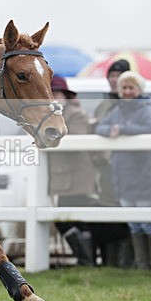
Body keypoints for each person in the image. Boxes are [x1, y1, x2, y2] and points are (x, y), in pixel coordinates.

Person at [95, 72, 151, 269]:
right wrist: (112, 129)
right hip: (123, 174)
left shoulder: (146, 108)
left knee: (150, 222)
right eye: (124, 88)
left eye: (131, 88)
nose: (127, 92)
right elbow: (101, 127)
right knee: (134, 223)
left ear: (139, 90)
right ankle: (143, 266)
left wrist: (124, 129)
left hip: (144, 174)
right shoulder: (117, 109)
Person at [48, 76, 98, 266]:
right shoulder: (51, 114)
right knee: (69, 219)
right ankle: (85, 259)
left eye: (56, 93)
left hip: (78, 175)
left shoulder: (75, 113)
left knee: (70, 218)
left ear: (65, 95)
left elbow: (76, 137)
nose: (53, 97)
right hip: (64, 176)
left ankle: (86, 259)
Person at [90, 59, 133, 267]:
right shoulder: (104, 104)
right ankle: (109, 264)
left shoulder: (133, 102)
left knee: (126, 213)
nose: (115, 81)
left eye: (119, 76)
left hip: (128, 167)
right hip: (104, 168)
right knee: (106, 212)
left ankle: (127, 264)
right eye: (112, 76)